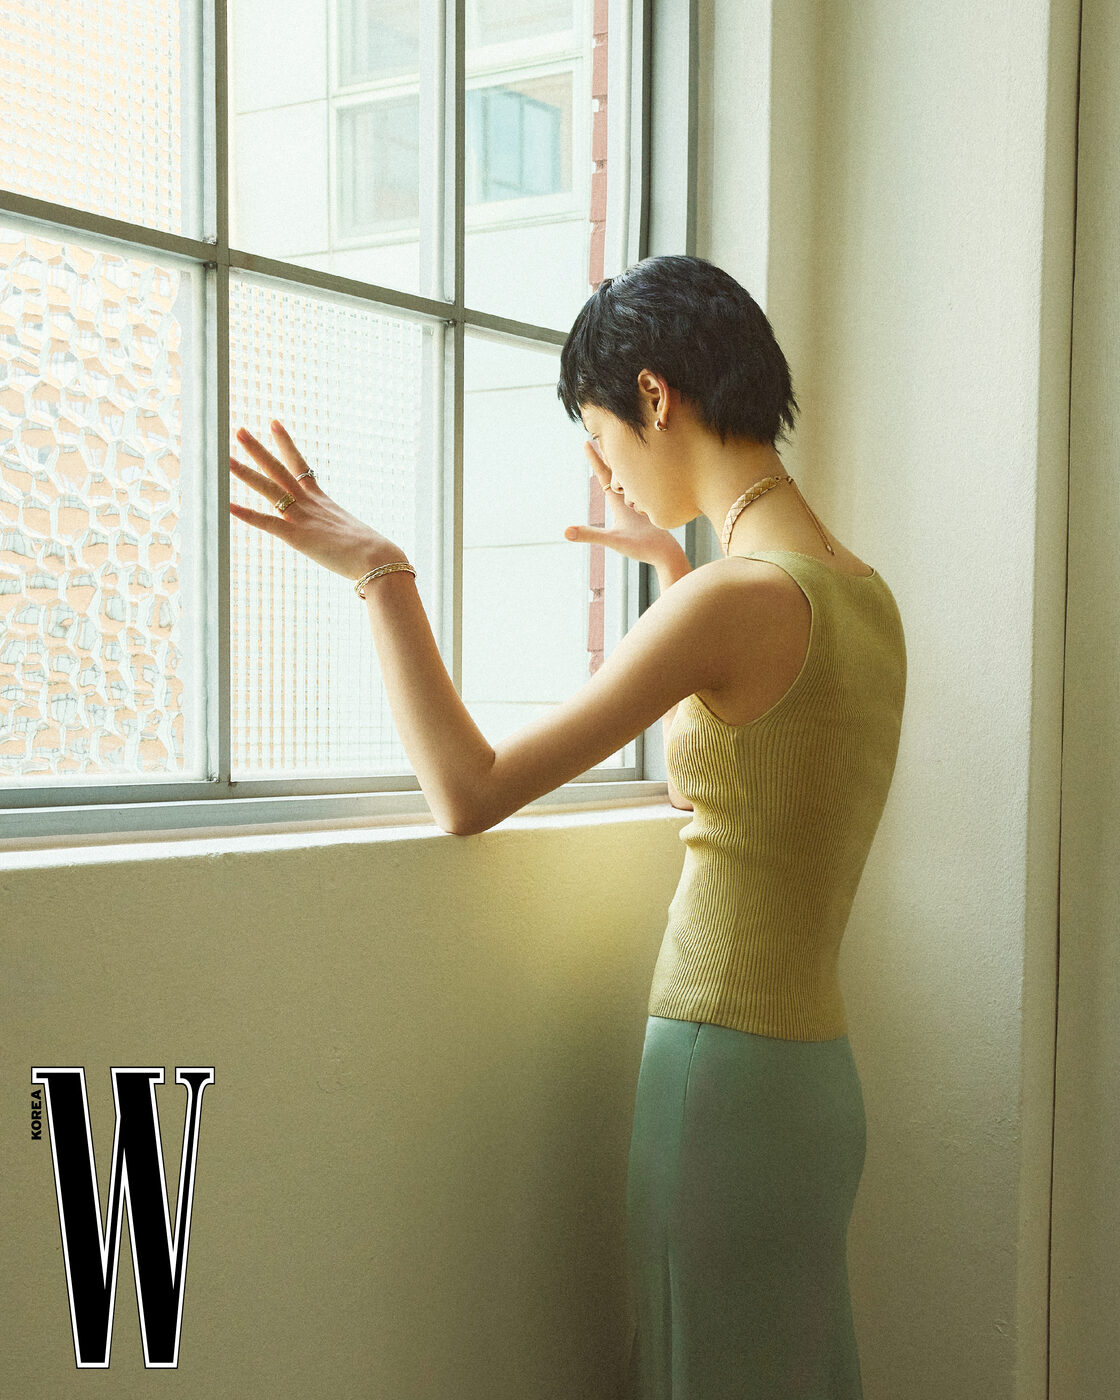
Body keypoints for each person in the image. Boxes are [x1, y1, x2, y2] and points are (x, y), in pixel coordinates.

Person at [229, 253, 907, 1399]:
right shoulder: (860, 592)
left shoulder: (733, 601)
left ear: (654, 396)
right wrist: (672, 565)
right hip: (813, 1093)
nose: (609, 468)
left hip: (718, 1075)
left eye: (601, 432)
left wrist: (381, 572)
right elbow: (760, 776)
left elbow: (470, 788)